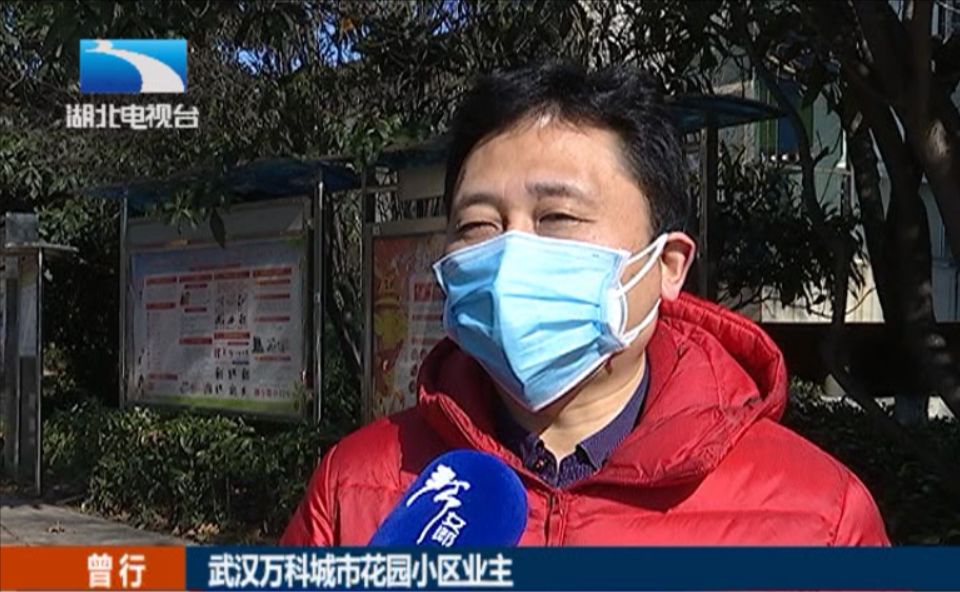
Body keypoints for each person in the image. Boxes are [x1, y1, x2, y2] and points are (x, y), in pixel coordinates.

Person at [281, 62, 889, 545]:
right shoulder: (356, 487)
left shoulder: (818, 516)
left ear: (668, 266)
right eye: (477, 225)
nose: (511, 255)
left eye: (558, 217)